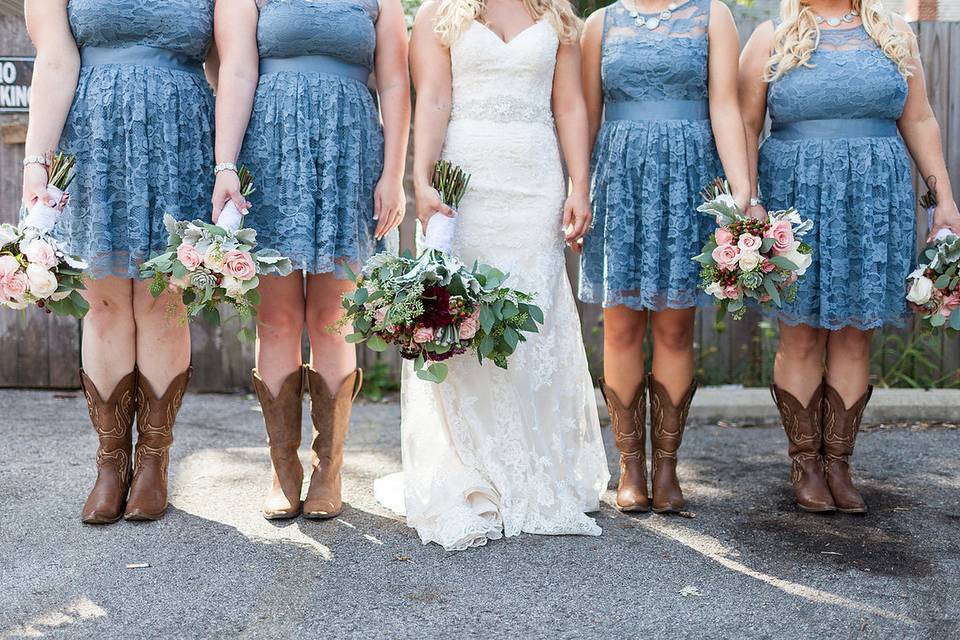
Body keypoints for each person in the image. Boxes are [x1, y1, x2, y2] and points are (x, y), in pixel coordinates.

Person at [374, 0, 610, 551]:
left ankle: (533, 466)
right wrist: (422, 180)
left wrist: (579, 185)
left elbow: (570, 105)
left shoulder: (556, 14)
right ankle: (469, 467)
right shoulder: (438, 12)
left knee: (536, 316)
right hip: (466, 181)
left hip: (535, 182)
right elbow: (431, 99)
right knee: (463, 317)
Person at [739, 0, 960, 513]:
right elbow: (746, 126)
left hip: (875, 200)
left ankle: (839, 463)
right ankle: (806, 465)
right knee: (799, 334)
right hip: (795, 201)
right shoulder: (771, 35)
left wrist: (943, 198)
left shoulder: (894, 32)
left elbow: (921, 117)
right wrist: (749, 200)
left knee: (857, 333)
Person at [212, 0, 409, 519]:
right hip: (269, 146)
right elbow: (235, 67)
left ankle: (329, 468)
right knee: (275, 317)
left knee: (332, 317)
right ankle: (283, 469)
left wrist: (393, 175)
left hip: (350, 151)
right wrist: (225, 165)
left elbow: (393, 83)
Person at [22, 0, 216, 523]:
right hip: (93, 137)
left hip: (183, 138)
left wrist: (230, 161)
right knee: (103, 302)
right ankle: (111, 466)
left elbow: (230, 62)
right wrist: (37, 162)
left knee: (164, 295)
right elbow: (56, 61)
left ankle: (153, 465)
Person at [578, 0, 751, 513]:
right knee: (621, 326)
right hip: (620, 178)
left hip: (689, 176)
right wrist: (577, 188)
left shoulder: (713, 14)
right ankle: (630, 467)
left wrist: (742, 190)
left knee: (676, 327)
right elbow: (586, 115)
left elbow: (726, 105)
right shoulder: (599, 24)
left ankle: (668, 468)